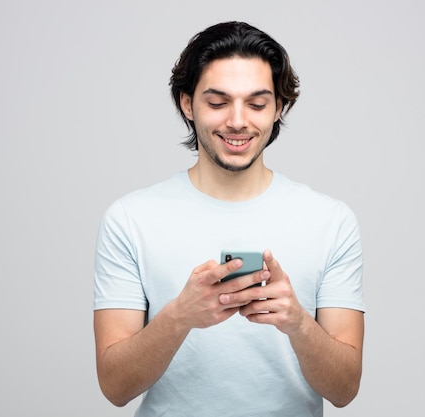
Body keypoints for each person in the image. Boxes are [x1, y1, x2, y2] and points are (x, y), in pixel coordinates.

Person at [93, 21, 365, 417]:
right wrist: (180, 316)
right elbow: (115, 387)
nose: (237, 121)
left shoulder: (331, 220)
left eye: (256, 104)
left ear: (279, 108)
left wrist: (298, 323)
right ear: (187, 104)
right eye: (217, 102)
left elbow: (345, 389)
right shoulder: (130, 219)